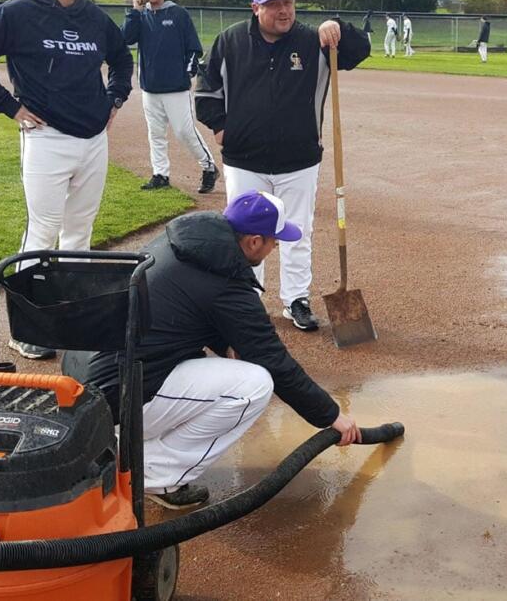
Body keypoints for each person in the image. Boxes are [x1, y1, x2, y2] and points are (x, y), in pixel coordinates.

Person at [69, 192, 364, 509]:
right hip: (117, 401)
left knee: (213, 364)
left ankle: (125, 446)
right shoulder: (228, 286)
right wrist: (330, 415)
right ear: (253, 242)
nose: (275, 247)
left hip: (85, 378)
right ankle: (152, 475)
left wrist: (224, 343)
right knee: (253, 385)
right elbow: (275, 362)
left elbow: (187, 307)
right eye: (273, 241)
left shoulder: (185, 242)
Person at [0, 0, 132, 361]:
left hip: (93, 139)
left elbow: (122, 59)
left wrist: (115, 97)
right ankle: (26, 327)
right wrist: (8, 106)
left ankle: (69, 318)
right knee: (42, 231)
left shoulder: (94, 17)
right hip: (47, 138)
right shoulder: (19, 13)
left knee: (80, 233)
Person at [194, 0, 370, 332]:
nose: (284, 10)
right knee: (245, 233)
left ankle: (295, 300)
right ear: (255, 8)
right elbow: (206, 90)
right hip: (244, 158)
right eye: (274, 4)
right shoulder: (230, 41)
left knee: (298, 231)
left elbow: (359, 51)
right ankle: (248, 298)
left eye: (288, 2)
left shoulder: (313, 41)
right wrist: (220, 126)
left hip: (299, 158)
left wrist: (340, 29)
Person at [123, 0, 217, 194]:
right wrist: (134, 11)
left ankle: (208, 166)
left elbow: (194, 47)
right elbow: (126, 38)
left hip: (175, 86)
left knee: (184, 131)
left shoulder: (178, 14)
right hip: (150, 87)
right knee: (155, 133)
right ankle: (160, 174)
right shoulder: (141, 15)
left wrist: (186, 73)